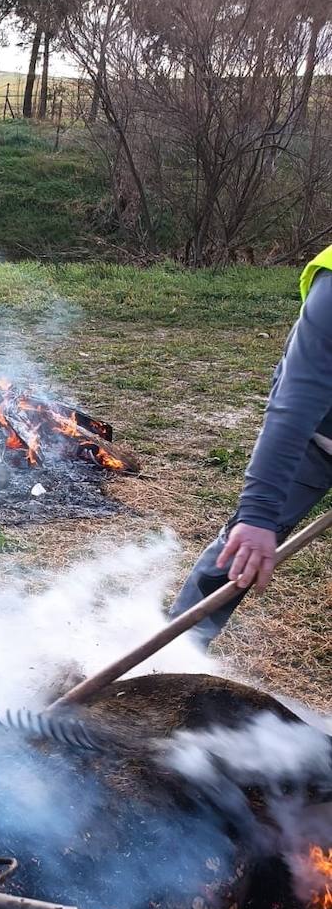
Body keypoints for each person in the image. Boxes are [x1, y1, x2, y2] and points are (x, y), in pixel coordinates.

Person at [170, 246, 332, 642]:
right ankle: (171, 656)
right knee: (240, 551)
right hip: (319, 437)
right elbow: (295, 406)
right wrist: (258, 515)